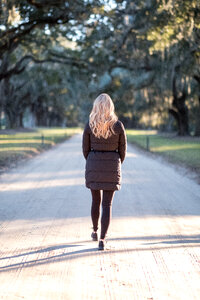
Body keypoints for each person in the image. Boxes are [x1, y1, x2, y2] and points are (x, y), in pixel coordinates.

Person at [82, 93, 127, 250]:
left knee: (96, 201)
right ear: (110, 107)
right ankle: (102, 239)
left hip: (93, 165)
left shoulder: (90, 125)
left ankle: (94, 231)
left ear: (96, 106)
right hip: (112, 166)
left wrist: (93, 160)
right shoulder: (118, 126)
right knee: (107, 204)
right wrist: (116, 162)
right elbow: (123, 151)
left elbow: (85, 150)